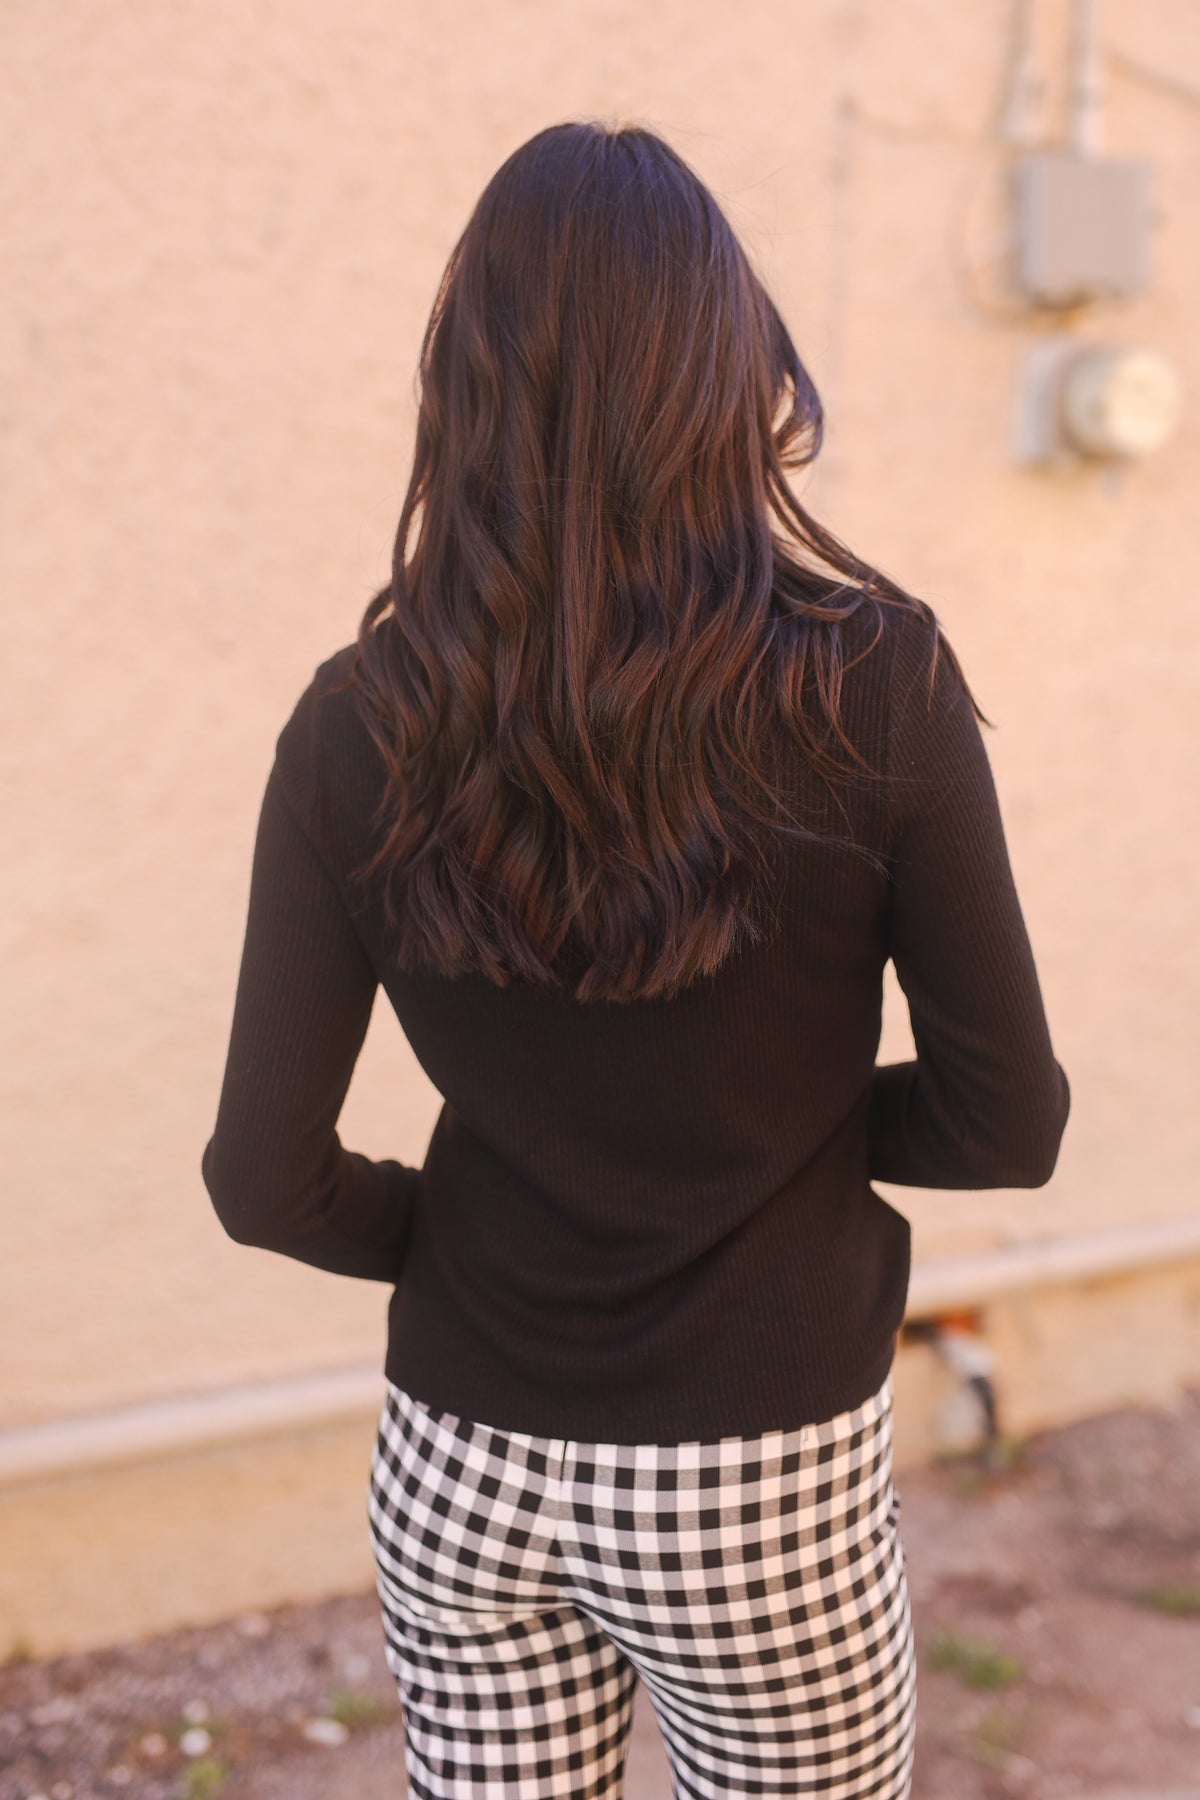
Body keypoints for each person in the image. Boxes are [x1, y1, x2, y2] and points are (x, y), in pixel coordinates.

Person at [201, 119, 1070, 1800]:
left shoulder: (354, 721)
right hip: (759, 1483)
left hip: (459, 1466)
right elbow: (1005, 1118)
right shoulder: (872, 683)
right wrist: (788, 1142)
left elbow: (262, 1177)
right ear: (728, 367)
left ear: (460, 390)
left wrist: (461, 1231)